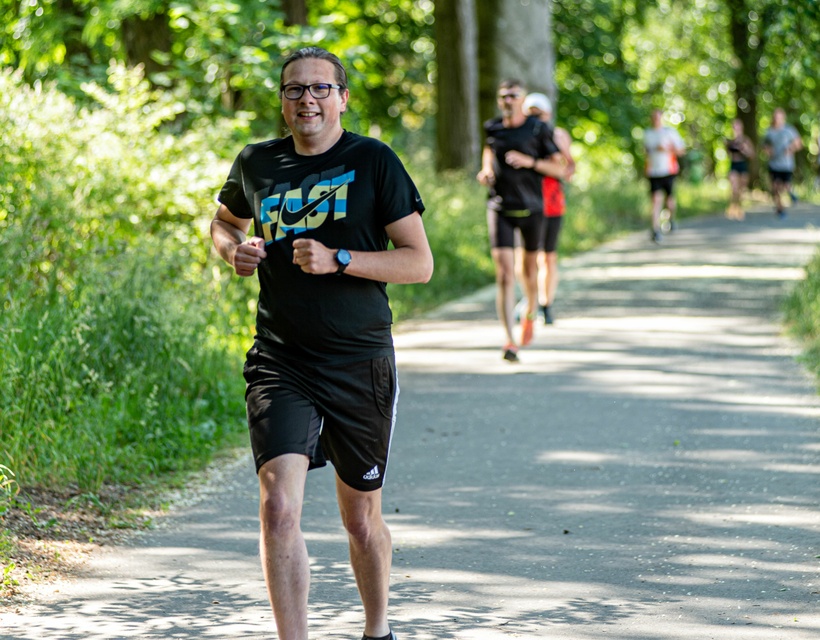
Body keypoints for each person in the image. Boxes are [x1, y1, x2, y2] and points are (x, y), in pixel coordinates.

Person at [210, 46, 433, 640]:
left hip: (359, 361)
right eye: (294, 90)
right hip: (281, 358)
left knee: (360, 520)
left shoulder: (373, 161)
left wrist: (341, 259)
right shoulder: (257, 163)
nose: (306, 99)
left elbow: (419, 264)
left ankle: (377, 629)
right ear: (282, 101)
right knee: (278, 508)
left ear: (341, 98)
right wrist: (235, 251)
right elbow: (225, 222)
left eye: (319, 89)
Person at [477, 79, 565, 362]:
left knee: (528, 272)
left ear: (522, 99)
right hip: (500, 206)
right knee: (504, 274)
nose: (507, 100)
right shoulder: (493, 127)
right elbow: (490, 149)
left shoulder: (538, 129)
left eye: (513, 96)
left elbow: (559, 167)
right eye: (503, 96)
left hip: (532, 208)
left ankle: (530, 310)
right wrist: (486, 169)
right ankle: (508, 340)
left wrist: (530, 162)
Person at [522, 92, 575, 325]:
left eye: (540, 114)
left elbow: (568, 168)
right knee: (525, 258)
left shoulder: (558, 134)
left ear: (548, 114)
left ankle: (546, 303)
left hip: (552, 202)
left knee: (548, 258)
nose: (536, 119)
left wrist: (558, 146)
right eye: (531, 113)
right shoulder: (519, 136)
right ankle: (529, 300)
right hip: (525, 202)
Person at [643, 109, 686, 243]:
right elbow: (645, 151)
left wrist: (668, 149)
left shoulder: (670, 133)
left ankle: (671, 219)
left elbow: (681, 151)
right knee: (656, 200)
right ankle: (655, 230)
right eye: (653, 117)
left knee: (669, 200)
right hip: (653, 172)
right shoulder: (647, 134)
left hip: (669, 171)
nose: (656, 120)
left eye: (658, 117)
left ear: (662, 118)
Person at [763, 107, 803, 219]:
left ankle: (791, 193)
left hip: (786, 164)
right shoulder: (769, 132)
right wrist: (767, 151)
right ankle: (780, 209)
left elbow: (799, 143)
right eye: (776, 117)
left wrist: (791, 148)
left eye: (780, 117)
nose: (777, 119)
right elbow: (764, 146)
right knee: (775, 187)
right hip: (774, 164)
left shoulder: (789, 130)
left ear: (783, 118)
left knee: (785, 186)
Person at [725, 118, 754, 221]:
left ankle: (739, 208)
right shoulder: (730, 141)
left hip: (743, 165)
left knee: (741, 189)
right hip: (734, 164)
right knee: (734, 188)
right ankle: (732, 206)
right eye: (734, 126)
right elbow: (728, 154)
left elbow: (751, 155)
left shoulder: (746, 140)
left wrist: (744, 149)